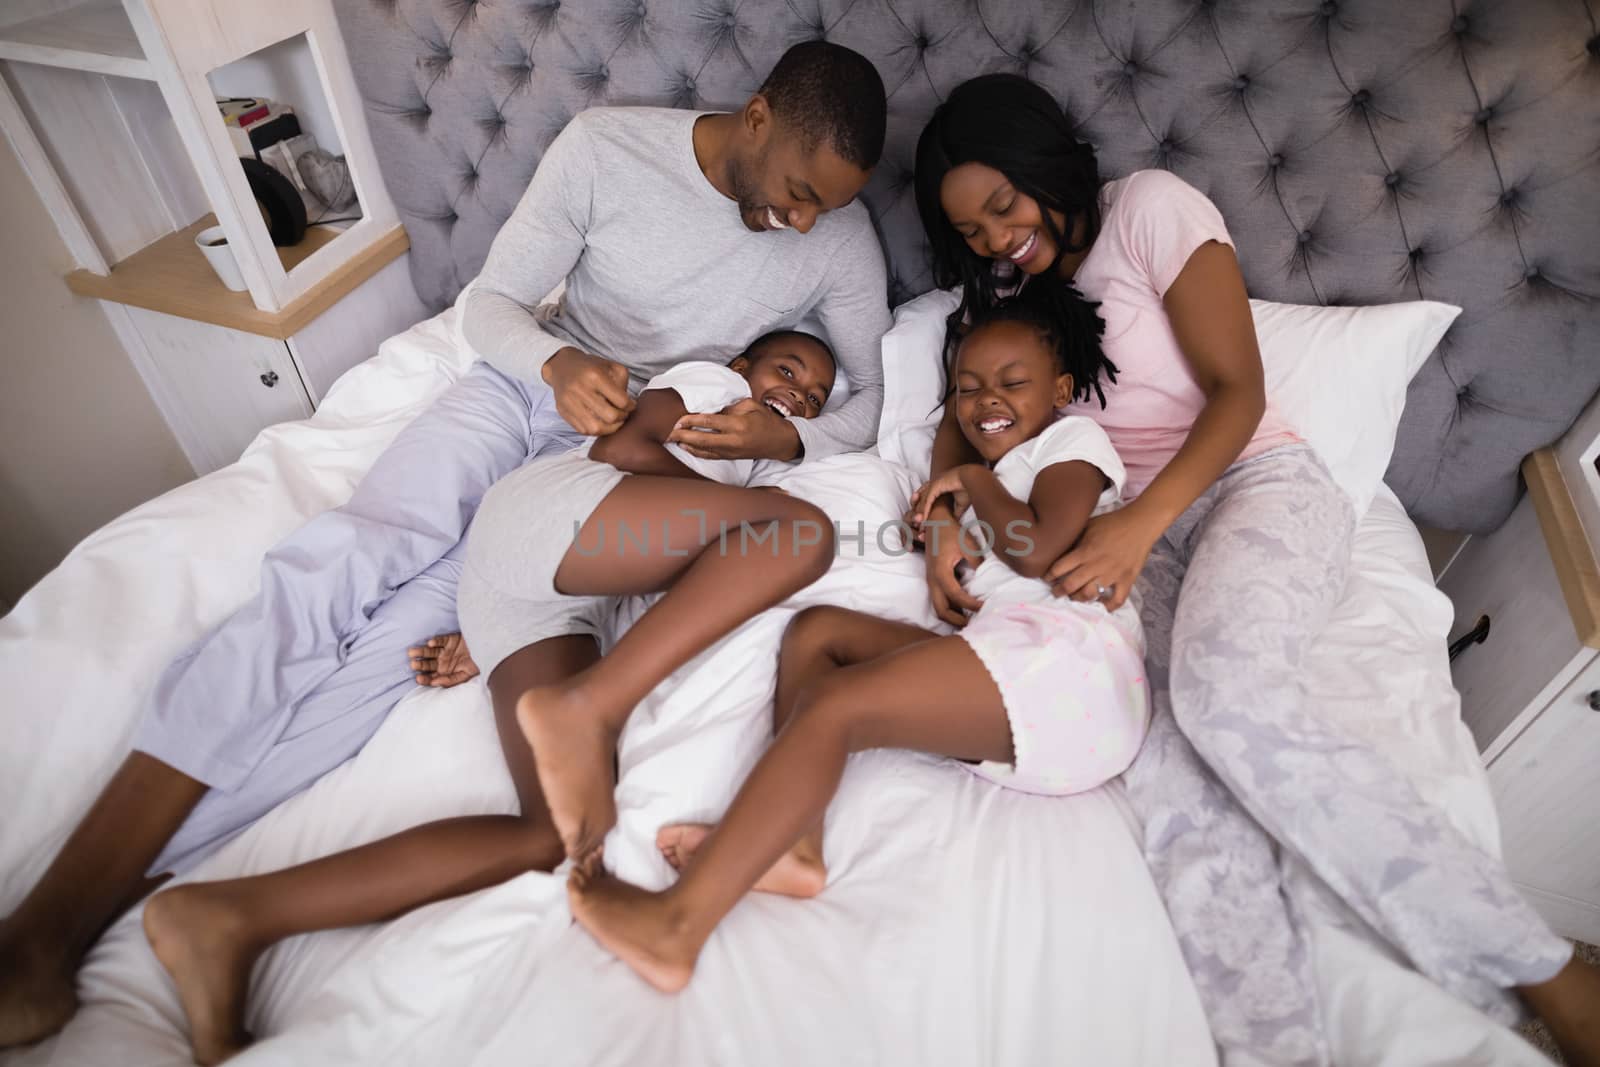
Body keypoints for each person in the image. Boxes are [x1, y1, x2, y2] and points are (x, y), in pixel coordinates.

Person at [0, 42, 891, 1049]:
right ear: (761, 115)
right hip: (525, 396)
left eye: (827, 205)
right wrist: (556, 364)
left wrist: (788, 434)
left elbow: (865, 403)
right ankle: (49, 918)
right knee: (341, 568)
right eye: (799, 192)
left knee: (391, 661)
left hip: (614, 467)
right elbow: (488, 304)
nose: (808, 220)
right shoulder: (606, 149)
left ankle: (148, 892)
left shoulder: (840, 238)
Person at [909, 73, 1600, 1067]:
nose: (993, 240)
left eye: (1001, 207)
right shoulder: (1011, 289)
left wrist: (1140, 527)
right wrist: (944, 516)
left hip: (1251, 481)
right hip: (1119, 522)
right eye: (968, 230)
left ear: (1039, 164)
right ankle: (1276, 1044)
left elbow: (1238, 391)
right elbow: (954, 410)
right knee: (1164, 768)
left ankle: (1542, 968)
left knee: (1226, 690)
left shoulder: (1148, 208)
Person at [139, 331, 839, 1065]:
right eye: (786, 370)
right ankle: (589, 704)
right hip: (555, 512)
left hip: (551, 595)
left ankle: (225, 916)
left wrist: (779, 459)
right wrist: (743, 503)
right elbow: (627, 450)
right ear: (740, 367)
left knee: (555, 837)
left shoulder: (766, 450)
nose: (796, 392)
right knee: (801, 530)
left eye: (813, 397)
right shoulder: (705, 387)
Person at [566, 285, 1150, 992]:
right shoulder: (990, 473)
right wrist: (949, 505)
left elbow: (1038, 544)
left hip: (1075, 670)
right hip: (1019, 655)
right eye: (966, 386)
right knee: (817, 633)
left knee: (839, 706)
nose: (984, 399)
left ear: (1060, 388)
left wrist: (965, 478)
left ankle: (677, 926)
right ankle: (793, 846)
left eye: (1011, 383)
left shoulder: (1070, 442)